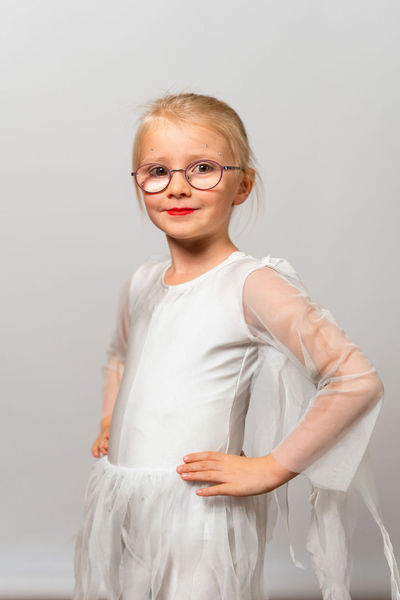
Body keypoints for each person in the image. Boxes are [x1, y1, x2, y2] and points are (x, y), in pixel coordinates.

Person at [72, 92, 400, 600]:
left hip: (197, 512)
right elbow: (119, 356)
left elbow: (354, 378)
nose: (177, 186)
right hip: (126, 500)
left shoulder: (250, 284)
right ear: (139, 183)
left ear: (242, 185)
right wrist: (108, 418)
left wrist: (271, 467)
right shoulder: (142, 282)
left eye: (202, 168)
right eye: (157, 171)